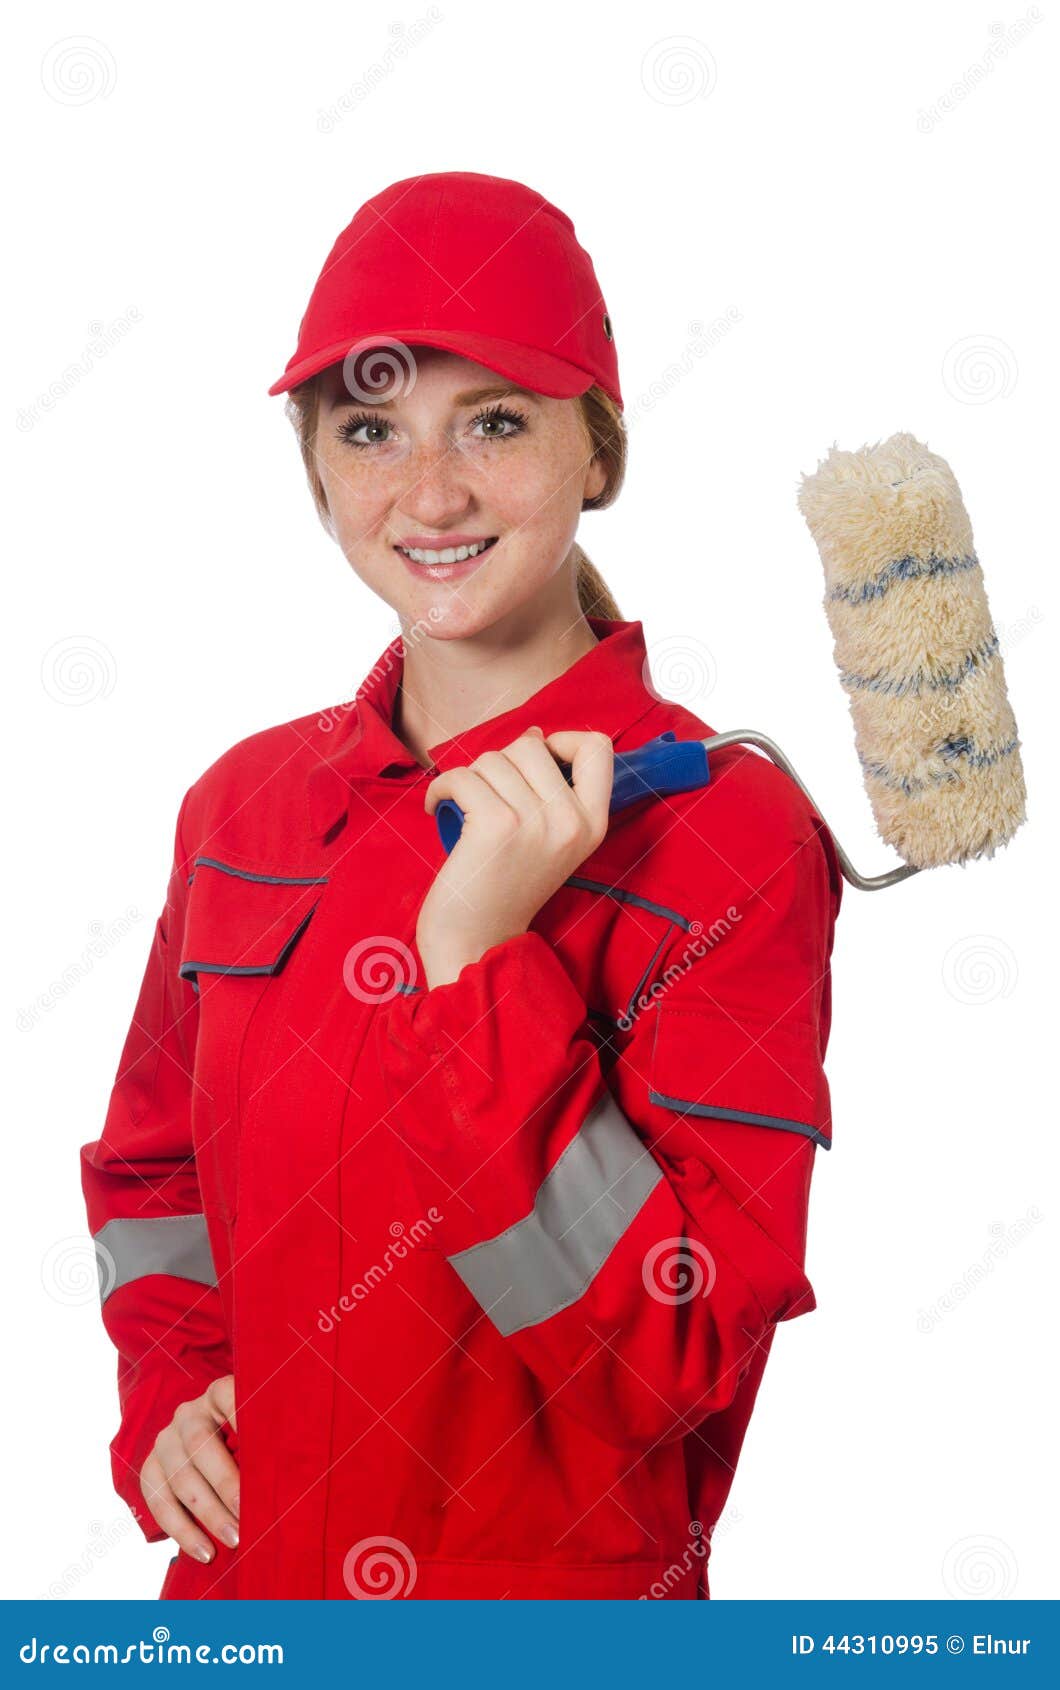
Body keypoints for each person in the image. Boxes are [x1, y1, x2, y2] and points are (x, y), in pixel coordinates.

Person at [80, 171, 841, 1601]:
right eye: (371, 430)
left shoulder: (723, 834)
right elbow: (150, 1179)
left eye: (494, 421)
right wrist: (172, 1391)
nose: (429, 494)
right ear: (317, 471)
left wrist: (482, 964)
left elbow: (676, 1356)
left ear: (596, 452)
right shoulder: (244, 809)